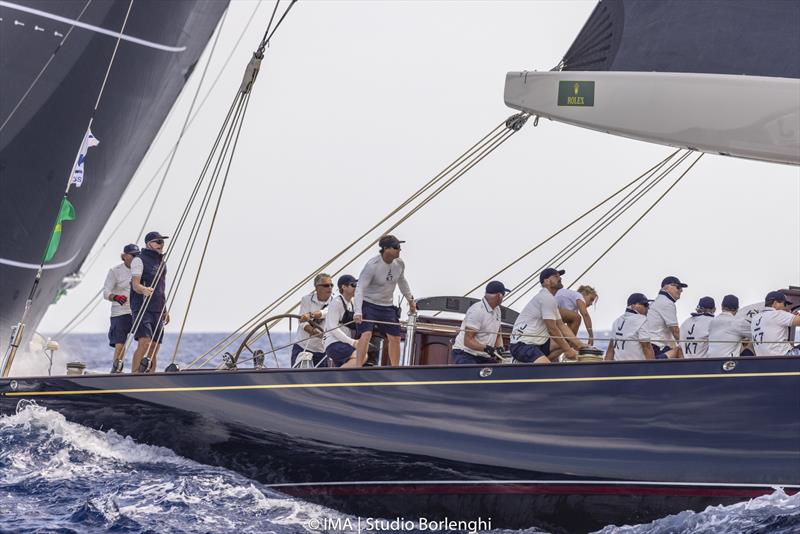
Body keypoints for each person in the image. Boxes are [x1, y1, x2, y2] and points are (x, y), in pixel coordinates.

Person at [354, 235, 416, 366]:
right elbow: (359, 288)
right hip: (369, 304)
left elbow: (402, 281)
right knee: (366, 334)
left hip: (386, 306)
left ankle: (395, 369)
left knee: (395, 337)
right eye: (396, 247)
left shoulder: (399, 263)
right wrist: (358, 311)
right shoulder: (372, 266)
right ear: (386, 249)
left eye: (399, 247)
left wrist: (410, 300)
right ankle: (357, 367)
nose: (399, 250)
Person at [510, 268, 586, 363]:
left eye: (559, 276)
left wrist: (580, 345)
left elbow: (561, 326)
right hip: (522, 344)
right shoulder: (546, 298)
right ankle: (530, 363)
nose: (560, 278)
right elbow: (552, 329)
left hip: (537, 342)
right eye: (555, 276)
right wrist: (568, 350)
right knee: (548, 366)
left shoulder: (551, 299)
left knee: (566, 342)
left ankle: (538, 363)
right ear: (546, 281)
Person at [130, 231, 170, 373]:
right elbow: (135, 285)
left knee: (155, 345)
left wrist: (165, 310)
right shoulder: (139, 260)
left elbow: (161, 288)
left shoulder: (162, 263)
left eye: (162, 242)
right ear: (149, 244)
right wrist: (143, 289)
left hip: (158, 308)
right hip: (142, 307)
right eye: (158, 242)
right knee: (145, 342)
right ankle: (135, 373)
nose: (161, 245)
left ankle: (150, 376)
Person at [451, 281, 512, 364]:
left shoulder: (497, 310)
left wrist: (500, 347)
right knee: (472, 374)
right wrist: (486, 348)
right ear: (499, 296)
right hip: (465, 353)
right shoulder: (477, 311)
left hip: (483, 355)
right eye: (504, 294)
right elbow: (467, 341)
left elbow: (497, 333)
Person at [104, 244, 139, 373]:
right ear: (124, 256)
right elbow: (105, 292)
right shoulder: (115, 271)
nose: (136, 258)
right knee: (120, 345)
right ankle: (116, 370)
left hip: (137, 311)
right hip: (119, 313)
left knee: (144, 341)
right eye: (133, 255)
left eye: (138, 255)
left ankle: (138, 371)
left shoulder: (140, 270)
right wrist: (116, 297)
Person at [292, 273, 333, 367]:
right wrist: (315, 333)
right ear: (317, 287)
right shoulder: (306, 300)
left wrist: (310, 315)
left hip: (323, 350)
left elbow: (326, 312)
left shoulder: (335, 301)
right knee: (297, 377)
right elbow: (302, 322)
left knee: (322, 380)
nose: (330, 288)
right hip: (303, 346)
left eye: (331, 285)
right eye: (326, 285)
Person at [322, 275, 359, 367]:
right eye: (353, 285)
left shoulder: (353, 303)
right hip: (334, 344)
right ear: (344, 287)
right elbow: (333, 328)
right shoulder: (336, 303)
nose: (356, 287)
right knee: (360, 356)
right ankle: (335, 378)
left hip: (344, 343)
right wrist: (352, 342)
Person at [645, 276, 686, 359]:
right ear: (666, 287)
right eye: (678, 287)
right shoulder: (667, 303)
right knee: (681, 350)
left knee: (676, 347)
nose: (681, 290)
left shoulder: (656, 302)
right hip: (656, 349)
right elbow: (676, 332)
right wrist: (687, 348)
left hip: (648, 347)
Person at [605, 293, 655, 361]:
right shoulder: (642, 320)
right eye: (645, 305)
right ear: (633, 306)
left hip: (618, 367)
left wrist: (605, 368)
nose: (648, 308)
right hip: (637, 368)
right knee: (673, 351)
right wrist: (654, 369)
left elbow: (610, 350)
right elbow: (646, 347)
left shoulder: (616, 321)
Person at [751, 291, 800, 356]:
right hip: (784, 357)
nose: (786, 307)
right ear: (775, 303)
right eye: (785, 304)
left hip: (764, 359)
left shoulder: (755, 318)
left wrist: (789, 316)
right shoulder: (777, 314)